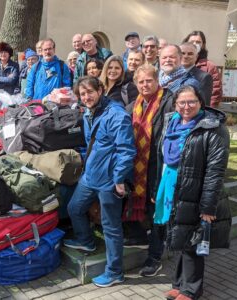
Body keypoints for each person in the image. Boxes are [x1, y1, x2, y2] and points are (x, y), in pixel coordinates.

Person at [157, 85, 231, 300]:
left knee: (193, 242)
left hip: (196, 193)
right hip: (173, 188)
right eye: (182, 102)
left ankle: (192, 290)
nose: (186, 106)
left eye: (192, 102)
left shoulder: (213, 129)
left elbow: (215, 171)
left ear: (201, 103)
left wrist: (208, 206)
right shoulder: (172, 123)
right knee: (180, 238)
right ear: (176, 103)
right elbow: (162, 159)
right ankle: (179, 284)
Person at [65, 76, 135, 288]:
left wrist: (120, 179)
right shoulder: (89, 111)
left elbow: (126, 150)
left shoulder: (117, 115)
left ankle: (115, 272)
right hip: (90, 176)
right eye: (82, 93)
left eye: (90, 92)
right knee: (74, 208)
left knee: (111, 227)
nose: (86, 97)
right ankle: (86, 241)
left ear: (101, 90)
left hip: (109, 180)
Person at [123, 65, 174, 274]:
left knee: (156, 212)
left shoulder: (168, 102)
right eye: (141, 81)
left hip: (159, 166)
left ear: (157, 81)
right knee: (140, 207)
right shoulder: (132, 106)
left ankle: (154, 257)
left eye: (149, 81)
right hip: (138, 167)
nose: (145, 85)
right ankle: (140, 238)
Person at [183, 30, 222, 107]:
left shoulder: (210, 67)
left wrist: (207, 112)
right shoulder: (178, 64)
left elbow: (215, 94)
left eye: (198, 42)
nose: (194, 44)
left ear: (203, 45)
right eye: (192, 41)